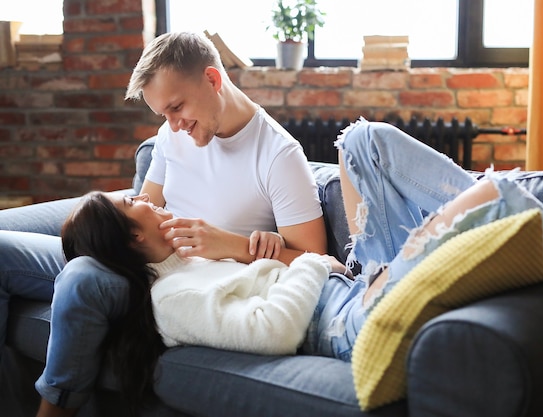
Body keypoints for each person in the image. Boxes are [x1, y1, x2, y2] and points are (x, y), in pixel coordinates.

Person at [60, 120, 543, 371]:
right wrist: (311, 262)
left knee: (361, 140)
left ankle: (473, 208)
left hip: (351, 282)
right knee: (497, 193)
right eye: (136, 204)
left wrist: (255, 249)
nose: (150, 200)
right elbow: (274, 330)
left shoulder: (195, 252)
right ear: (133, 236)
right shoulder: (171, 299)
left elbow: (276, 274)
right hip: (348, 318)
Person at [0, 31, 327, 417]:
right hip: (143, 254)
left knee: (83, 277)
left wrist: (232, 246)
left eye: (177, 107)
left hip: (180, 278)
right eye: (164, 115)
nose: (173, 127)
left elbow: (315, 259)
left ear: (212, 79)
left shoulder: (278, 155)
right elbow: (142, 208)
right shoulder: (172, 137)